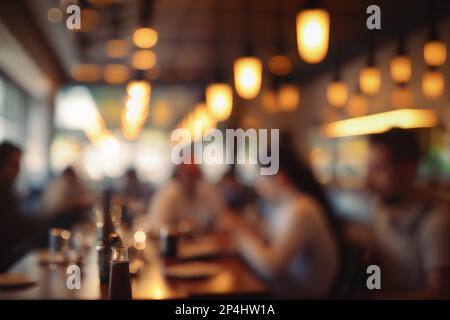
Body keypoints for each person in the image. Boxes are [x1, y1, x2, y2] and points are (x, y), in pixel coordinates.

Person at [221, 137, 341, 299]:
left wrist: (239, 230)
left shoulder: (302, 210)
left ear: (279, 176)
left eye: (260, 176)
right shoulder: (284, 207)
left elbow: (271, 267)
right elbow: (266, 240)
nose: (258, 184)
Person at [367, 128, 450, 299]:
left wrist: (379, 298)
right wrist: (371, 286)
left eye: (379, 169)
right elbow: (375, 262)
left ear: (407, 168)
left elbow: (440, 293)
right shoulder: (379, 207)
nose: (368, 180)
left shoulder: (436, 220)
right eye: (370, 169)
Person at [143, 163, 224, 236]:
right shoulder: (167, 194)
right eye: (189, 174)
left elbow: (220, 218)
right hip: (175, 245)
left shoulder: (207, 192)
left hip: (204, 246)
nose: (192, 179)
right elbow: (157, 225)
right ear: (179, 174)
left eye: (195, 175)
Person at [0, 142, 38, 271]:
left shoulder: (8, 189)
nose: (18, 170)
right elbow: (12, 229)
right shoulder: (3, 191)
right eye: (14, 164)